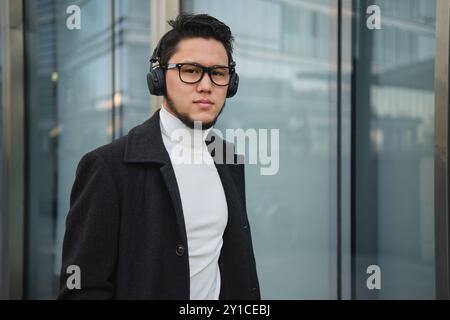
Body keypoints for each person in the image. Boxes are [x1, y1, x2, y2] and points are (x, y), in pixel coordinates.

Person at [58, 13, 260, 300]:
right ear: (158, 78)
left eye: (218, 73)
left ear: (231, 82)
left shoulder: (227, 158)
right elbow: (82, 287)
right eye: (190, 70)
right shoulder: (107, 167)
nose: (206, 85)